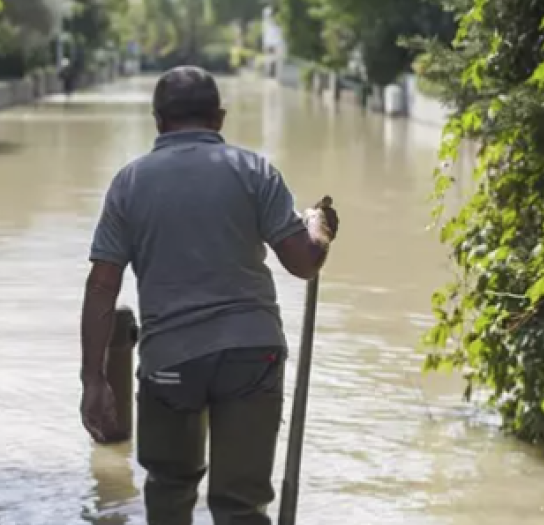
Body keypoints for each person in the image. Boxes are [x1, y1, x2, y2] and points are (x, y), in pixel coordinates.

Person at [79, 66, 340, 525]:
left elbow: (103, 285)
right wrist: (317, 229)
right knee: (241, 505)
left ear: (157, 120)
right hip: (250, 358)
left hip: (171, 363)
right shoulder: (254, 170)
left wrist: (94, 380)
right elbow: (303, 263)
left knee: (170, 493)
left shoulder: (129, 183)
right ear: (219, 118)